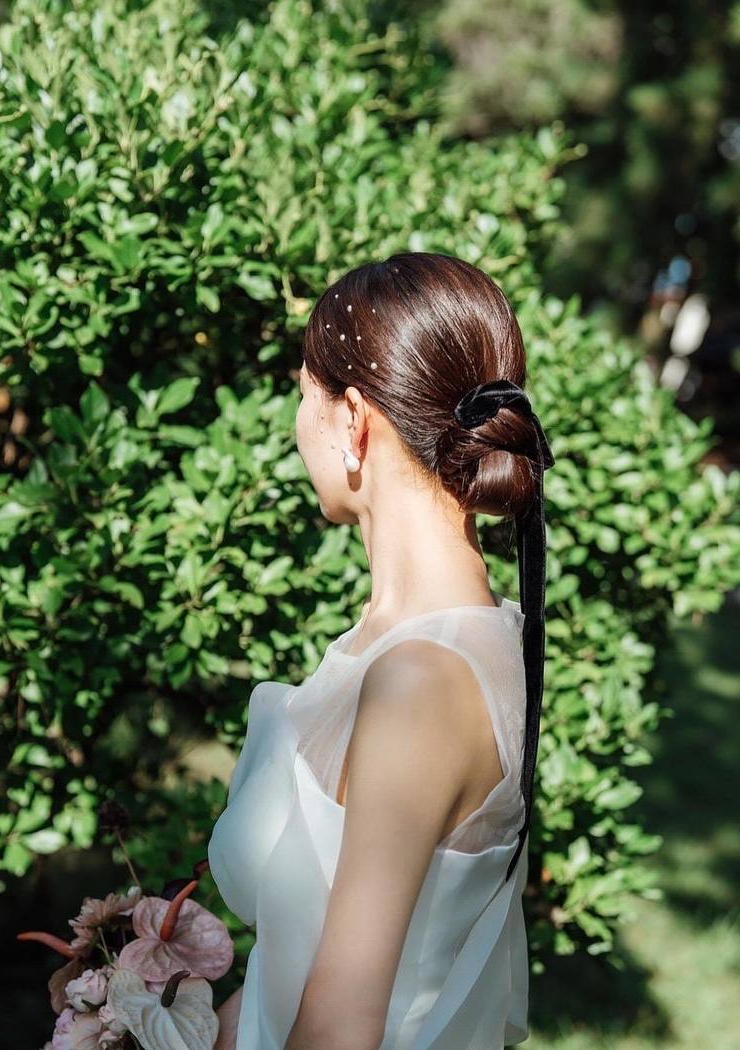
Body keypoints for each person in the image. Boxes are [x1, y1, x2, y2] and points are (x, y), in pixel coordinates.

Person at [207, 252, 555, 1050]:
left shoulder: (423, 679)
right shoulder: (433, 641)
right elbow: (294, 968)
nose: (298, 426)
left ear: (354, 421)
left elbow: (340, 1026)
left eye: (305, 395)